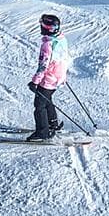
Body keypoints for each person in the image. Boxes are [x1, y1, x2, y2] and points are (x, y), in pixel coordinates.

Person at [27, 12, 73, 143]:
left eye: (42, 25)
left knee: (39, 105)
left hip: (49, 78)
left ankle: (43, 132)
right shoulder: (61, 39)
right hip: (59, 77)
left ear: (46, 28)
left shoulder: (47, 45)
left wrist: (34, 81)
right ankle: (53, 124)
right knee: (47, 99)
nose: (40, 28)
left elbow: (43, 65)